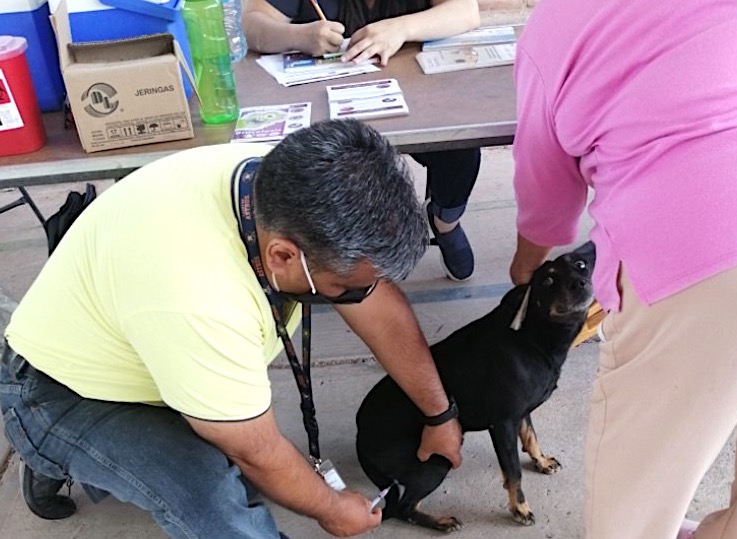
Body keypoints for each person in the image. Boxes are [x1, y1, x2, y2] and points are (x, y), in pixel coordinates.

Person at [0, 119, 463, 538]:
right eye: (344, 287)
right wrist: (332, 507)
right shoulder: (198, 298)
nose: (359, 296)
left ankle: (91, 454)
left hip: (139, 339)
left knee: (218, 431)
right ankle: (49, 449)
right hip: (57, 388)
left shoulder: (278, 187)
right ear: (282, 256)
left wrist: (439, 414)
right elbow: (255, 451)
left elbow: (374, 300)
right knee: (206, 488)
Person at [508, 1, 737, 538]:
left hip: (693, 257)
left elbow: (548, 201)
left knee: (631, 507)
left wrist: (523, 271)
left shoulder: (555, 25)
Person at [243, 0, 483, 281]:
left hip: (417, 98)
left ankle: (445, 223)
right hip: (327, 110)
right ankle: (337, 254)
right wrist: (300, 36)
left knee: (460, 147)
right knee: (321, 175)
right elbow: (251, 24)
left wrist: (401, 28)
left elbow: (466, 10)